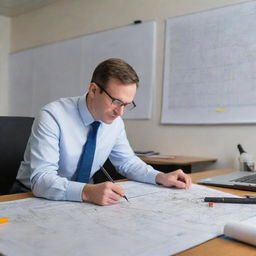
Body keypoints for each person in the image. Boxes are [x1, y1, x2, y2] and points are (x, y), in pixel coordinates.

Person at [14, 58, 191, 205]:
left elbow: (127, 162)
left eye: (126, 105)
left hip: (83, 198)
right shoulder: (53, 116)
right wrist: (87, 192)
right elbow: (41, 180)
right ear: (93, 90)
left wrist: (160, 176)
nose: (120, 112)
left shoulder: (115, 122)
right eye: (116, 101)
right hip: (31, 196)